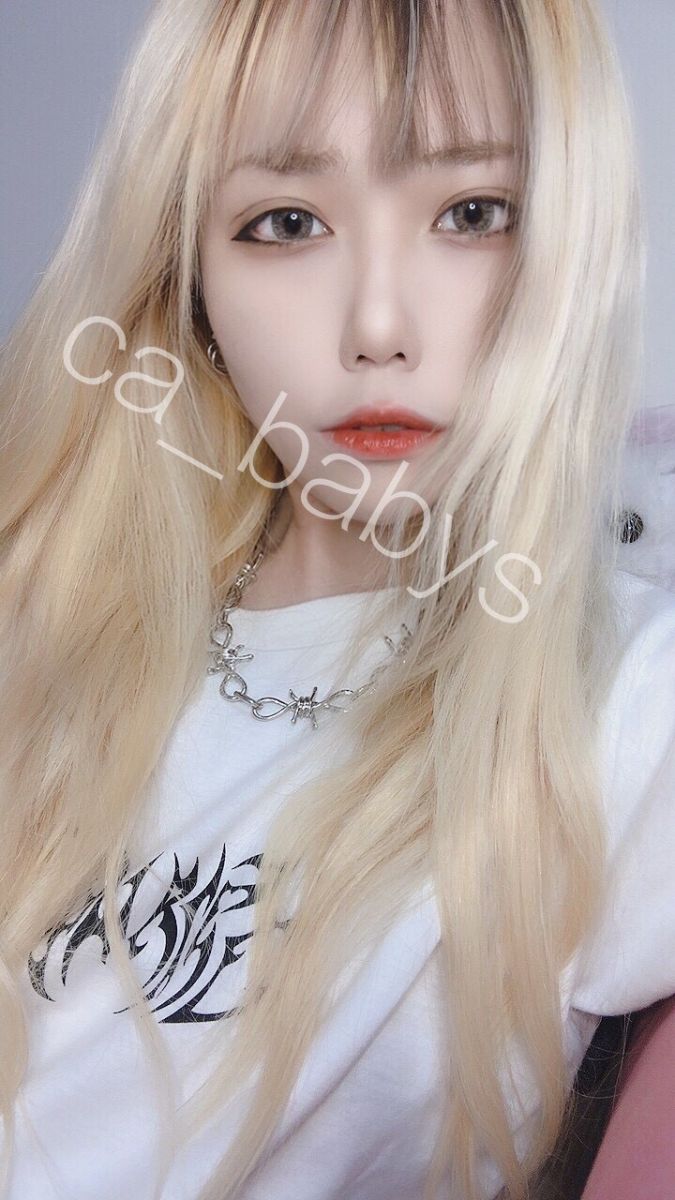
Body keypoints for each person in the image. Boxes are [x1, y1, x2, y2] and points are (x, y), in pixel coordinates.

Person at [0, 1, 673, 1198]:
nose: (378, 328)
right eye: (287, 223)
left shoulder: (624, 695)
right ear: (188, 286)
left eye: (474, 214)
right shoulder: (48, 614)